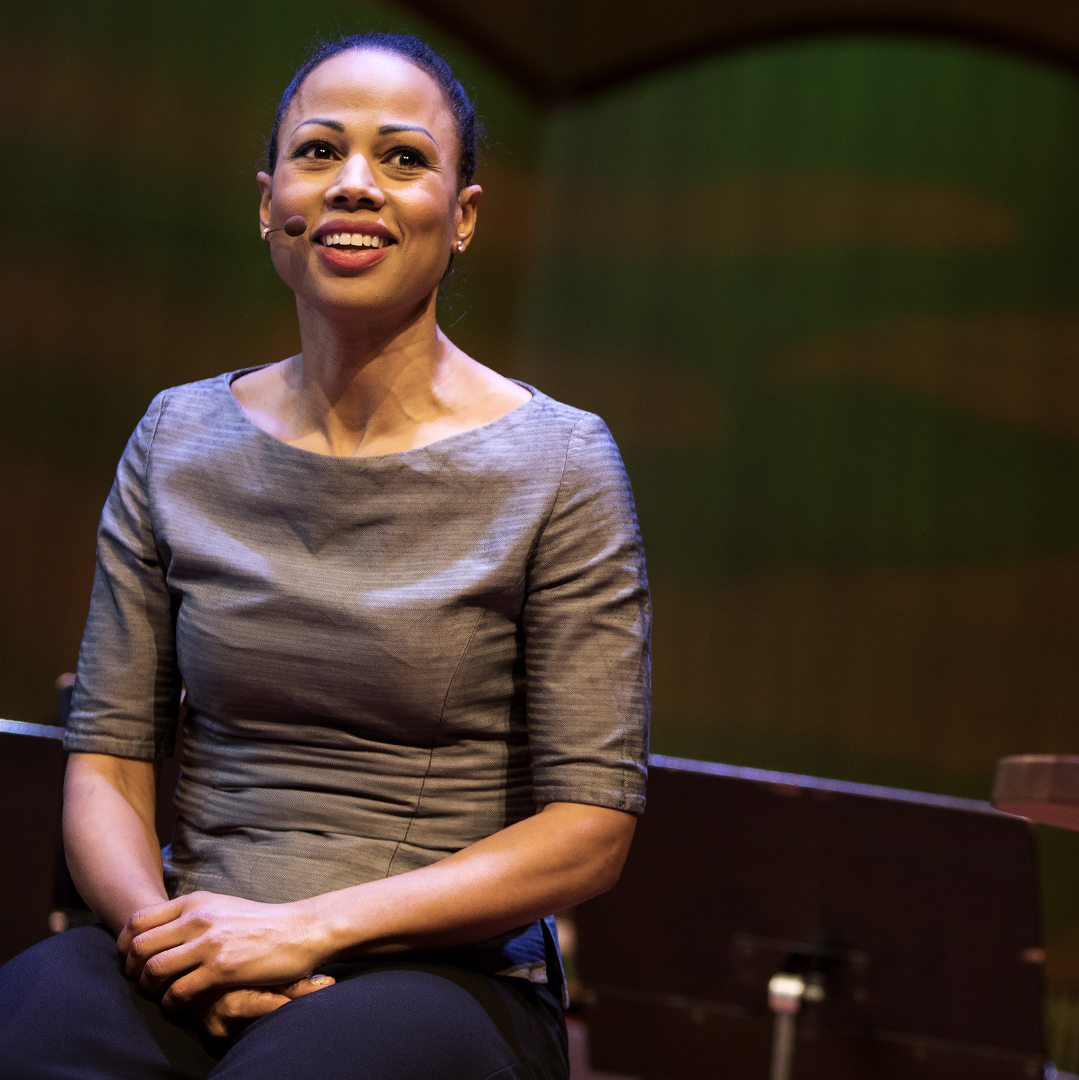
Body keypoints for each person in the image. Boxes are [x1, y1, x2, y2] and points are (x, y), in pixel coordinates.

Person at [0, 32, 649, 1080]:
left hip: (441, 973)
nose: (354, 184)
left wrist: (301, 932)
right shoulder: (176, 437)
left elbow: (589, 829)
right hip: (190, 936)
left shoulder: (561, 463)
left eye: (402, 158)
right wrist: (174, 943)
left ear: (463, 216)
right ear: (270, 202)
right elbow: (109, 761)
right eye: (318, 151)